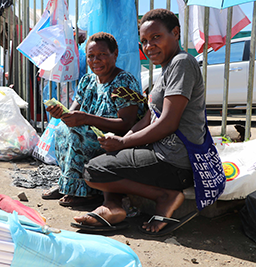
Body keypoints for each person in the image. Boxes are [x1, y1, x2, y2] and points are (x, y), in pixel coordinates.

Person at [72, 9, 205, 235]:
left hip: (174, 162)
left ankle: (165, 196)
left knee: (94, 171)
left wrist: (124, 144)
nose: (149, 46)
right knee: (103, 159)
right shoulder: (168, 68)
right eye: (143, 41)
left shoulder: (182, 63)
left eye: (156, 37)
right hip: (161, 153)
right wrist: (123, 139)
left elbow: (168, 123)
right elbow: (148, 117)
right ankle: (113, 207)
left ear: (176, 33)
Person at [42, 32, 145, 207]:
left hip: (114, 140)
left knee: (77, 132)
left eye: (102, 55)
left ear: (115, 53)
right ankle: (68, 184)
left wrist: (86, 119)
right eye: (91, 56)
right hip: (90, 132)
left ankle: (86, 192)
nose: (95, 60)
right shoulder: (87, 81)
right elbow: (72, 113)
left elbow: (126, 124)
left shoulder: (124, 81)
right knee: (61, 129)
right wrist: (60, 114)